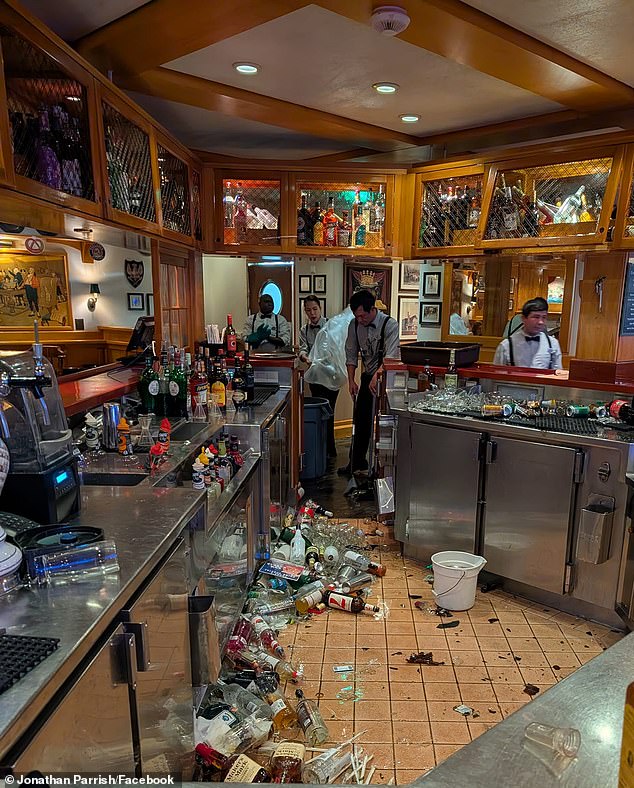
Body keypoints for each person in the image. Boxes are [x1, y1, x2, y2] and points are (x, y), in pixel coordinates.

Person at [340, 289, 400, 476]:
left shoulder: (390, 325)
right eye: (356, 316)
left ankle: (381, 468)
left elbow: (390, 357)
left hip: (386, 377)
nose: (360, 320)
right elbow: (350, 354)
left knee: (383, 423)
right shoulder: (354, 325)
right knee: (361, 421)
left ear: (372, 309)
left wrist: (377, 376)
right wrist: (351, 381)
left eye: (363, 316)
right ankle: (356, 463)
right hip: (367, 377)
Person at [299, 295, 338, 459]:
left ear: (320, 308)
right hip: (315, 378)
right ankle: (320, 450)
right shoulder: (304, 330)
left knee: (329, 413)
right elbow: (302, 349)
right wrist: (304, 357)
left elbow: (337, 349)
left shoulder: (330, 326)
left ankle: (330, 450)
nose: (312, 313)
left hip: (331, 376)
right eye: (308, 310)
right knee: (319, 413)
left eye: (315, 309)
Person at [493, 296, 563, 370]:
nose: (540, 322)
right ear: (523, 318)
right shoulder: (507, 345)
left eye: (544, 317)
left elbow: (558, 374)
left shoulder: (553, 344)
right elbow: (497, 374)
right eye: (536, 317)